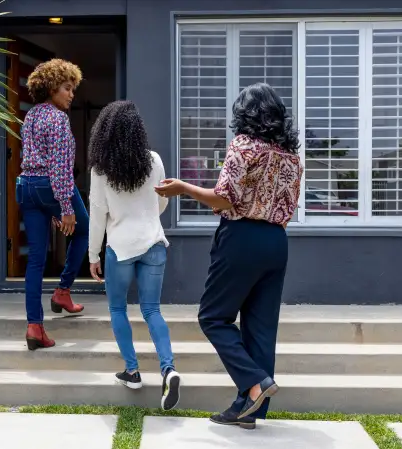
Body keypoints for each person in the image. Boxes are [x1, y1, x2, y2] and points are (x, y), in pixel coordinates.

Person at [155, 83, 303, 428]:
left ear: (245, 113)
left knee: (213, 317)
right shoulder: (291, 157)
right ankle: (248, 410)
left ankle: (255, 383)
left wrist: (182, 188)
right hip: (276, 241)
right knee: (261, 329)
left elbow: (225, 199)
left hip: (242, 237)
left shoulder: (243, 145)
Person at [87, 100, 181, 411]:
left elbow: (98, 215)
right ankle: (169, 369)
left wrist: (92, 255)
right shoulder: (153, 161)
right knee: (152, 310)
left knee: (117, 309)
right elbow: (162, 203)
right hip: (153, 243)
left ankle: (133, 371)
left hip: (120, 248)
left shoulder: (100, 170)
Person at [16, 59, 89, 350]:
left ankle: (35, 326)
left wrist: (53, 208)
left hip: (26, 187)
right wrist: (65, 208)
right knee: (83, 230)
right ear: (51, 88)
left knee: (35, 259)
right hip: (50, 185)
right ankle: (62, 291)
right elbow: (59, 168)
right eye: (66, 88)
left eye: (73, 89)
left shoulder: (31, 115)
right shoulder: (58, 119)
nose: (71, 94)